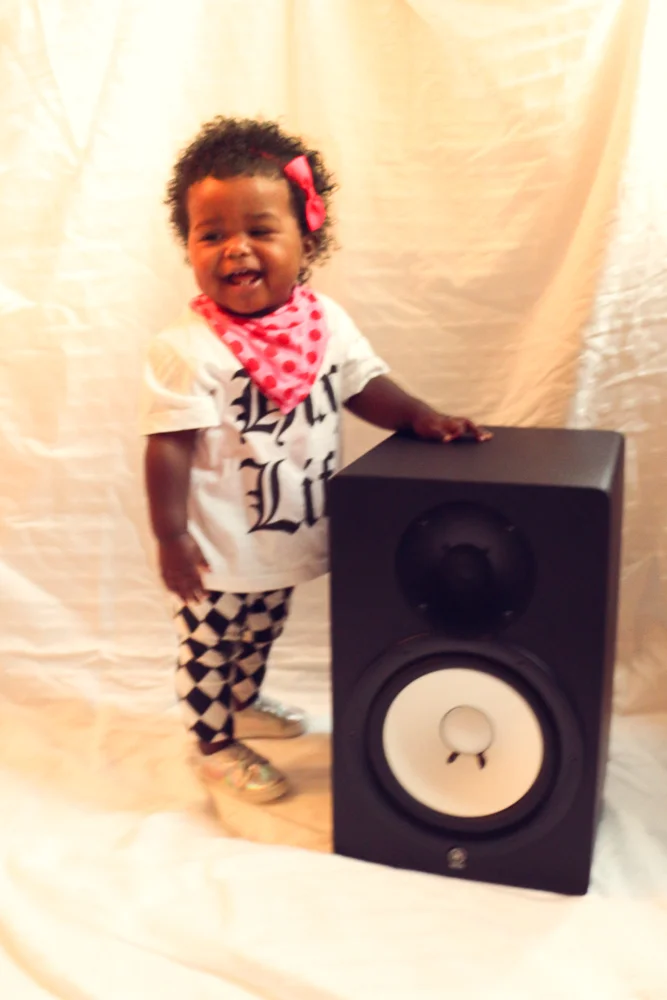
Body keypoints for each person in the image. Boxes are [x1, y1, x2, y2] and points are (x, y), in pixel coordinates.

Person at [141, 116, 490, 804]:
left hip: (286, 535)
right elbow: (168, 446)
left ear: (307, 238)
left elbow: (363, 384)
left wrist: (419, 416)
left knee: (262, 631)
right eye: (211, 234)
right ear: (189, 247)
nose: (235, 248)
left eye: (259, 229)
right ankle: (211, 743)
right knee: (210, 643)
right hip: (217, 547)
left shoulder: (323, 322)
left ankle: (242, 705)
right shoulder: (185, 348)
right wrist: (171, 535)